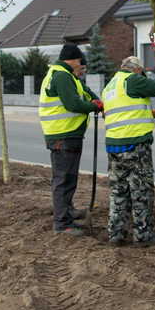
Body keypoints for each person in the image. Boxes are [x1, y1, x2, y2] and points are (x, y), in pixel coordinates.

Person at [101, 52, 155, 247]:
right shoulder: (132, 80)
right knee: (141, 190)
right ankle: (143, 235)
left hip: (114, 147)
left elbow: (123, 111)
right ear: (137, 70)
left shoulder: (110, 86)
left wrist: (150, 112)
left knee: (118, 191)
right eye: (142, 73)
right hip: (135, 146)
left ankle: (116, 233)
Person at [38, 43, 101, 236]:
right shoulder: (62, 76)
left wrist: (95, 101)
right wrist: (93, 107)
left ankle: (68, 211)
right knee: (63, 179)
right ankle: (62, 223)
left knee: (68, 177)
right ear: (72, 60)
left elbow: (86, 93)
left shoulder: (66, 76)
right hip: (62, 135)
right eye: (80, 65)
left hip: (67, 134)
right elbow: (73, 104)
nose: (81, 69)